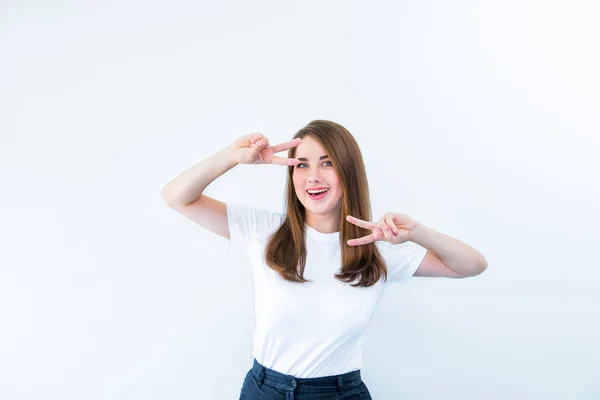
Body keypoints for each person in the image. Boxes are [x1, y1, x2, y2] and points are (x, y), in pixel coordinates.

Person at [161, 120, 488, 399]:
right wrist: (232, 156)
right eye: (302, 164)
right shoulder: (263, 230)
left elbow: (472, 265)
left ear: (348, 172)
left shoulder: (379, 247)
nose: (312, 176)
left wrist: (417, 232)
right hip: (265, 390)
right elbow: (176, 197)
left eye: (327, 163)